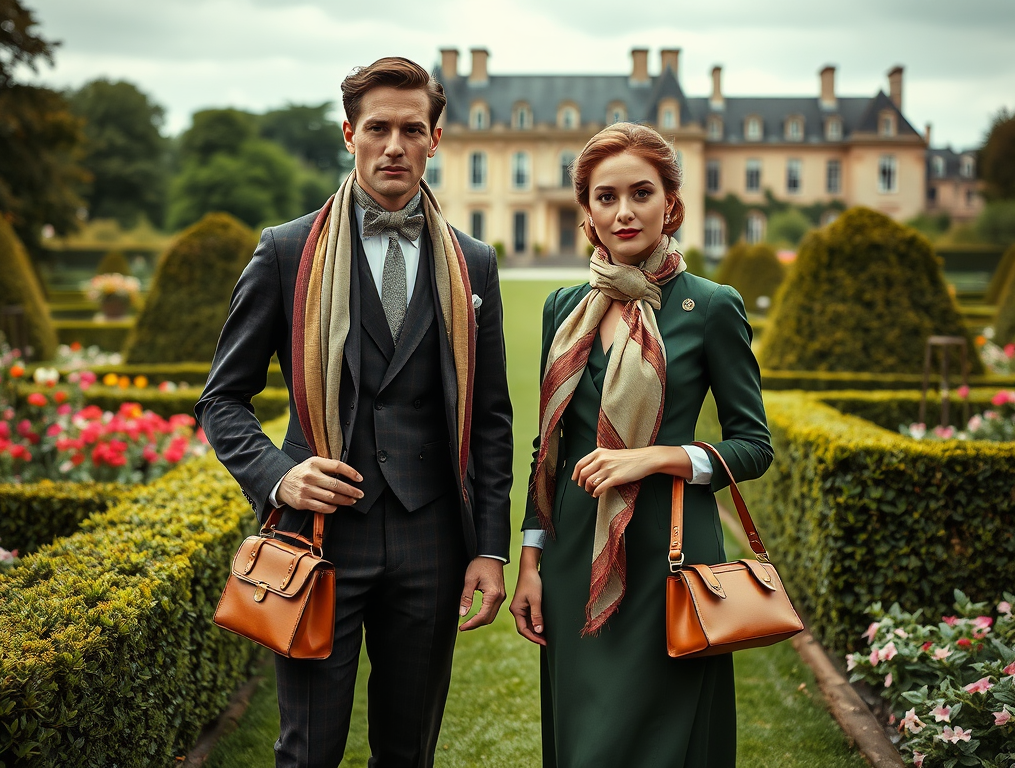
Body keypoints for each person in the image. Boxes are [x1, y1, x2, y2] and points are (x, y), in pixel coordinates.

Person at [196, 57, 513, 768]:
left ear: (436, 139)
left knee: (409, 752)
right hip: (318, 539)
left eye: (411, 129)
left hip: (433, 539)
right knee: (308, 751)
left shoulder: (474, 262)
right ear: (349, 134)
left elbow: (491, 418)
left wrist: (489, 549)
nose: (394, 145)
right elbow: (222, 397)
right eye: (378, 129)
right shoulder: (285, 251)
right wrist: (280, 476)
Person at [509, 122, 773, 768]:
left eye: (641, 193)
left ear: (671, 203)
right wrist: (531, 560)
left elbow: (754, 446)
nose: (623, 212)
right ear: (588, 212)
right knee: (584, 739)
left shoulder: (711, 307)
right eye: (605, 197)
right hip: (576, 552)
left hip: (670, 552)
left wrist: (655, 458)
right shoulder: (563, 309)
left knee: (664, 742)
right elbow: (549, 446)